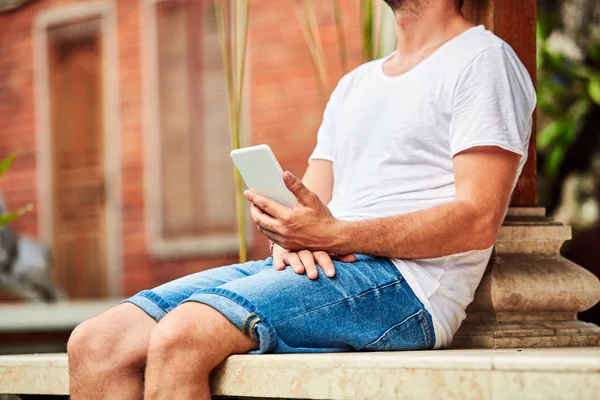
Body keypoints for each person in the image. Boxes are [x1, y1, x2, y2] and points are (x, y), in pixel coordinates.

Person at [67, 0, 536, 398]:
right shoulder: (356, 84)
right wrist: (286, 234)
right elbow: (308, 206)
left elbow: (477, 220)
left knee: (182, 335)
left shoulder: (483, 59)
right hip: (327, 267)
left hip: (409, 287)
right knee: (97, 343)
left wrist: (337, 235)